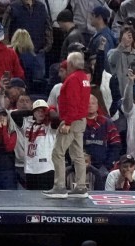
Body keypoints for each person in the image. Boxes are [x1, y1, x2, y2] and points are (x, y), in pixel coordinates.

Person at [43, 52, 91, 199]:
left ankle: (59, 187)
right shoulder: (84, 78)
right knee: (77, 154)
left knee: (58, 152)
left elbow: (72, 103)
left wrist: (68, 122)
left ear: (70, 64)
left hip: (72, 120)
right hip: (81, 120)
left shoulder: (72, 79)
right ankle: (81, 187)